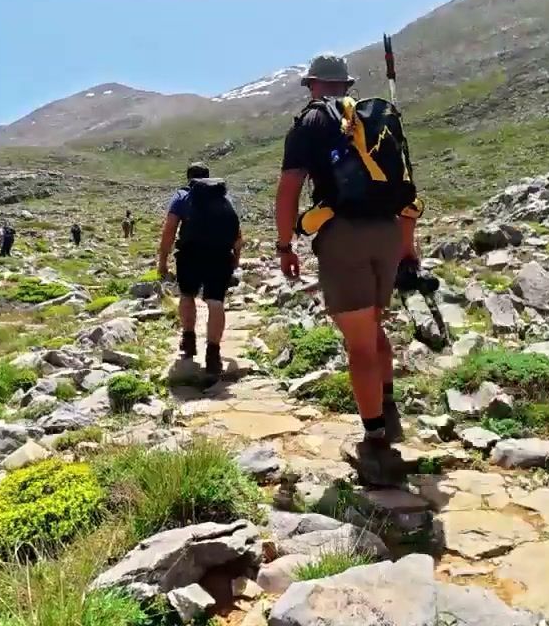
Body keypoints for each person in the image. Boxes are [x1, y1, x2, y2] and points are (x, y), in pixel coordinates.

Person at [275, 54, 421, 447]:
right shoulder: (377, 119)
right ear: (346, 85)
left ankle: (375, 443)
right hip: (388, 232)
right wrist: (408, 247)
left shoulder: (311, 121)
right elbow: (407, 186)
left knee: (359, 343)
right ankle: (388, 413)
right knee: (374, 329)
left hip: (344, 236)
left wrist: (285, 245)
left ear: (313, 85)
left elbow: (289, 187)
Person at [157, 163, 243, 377]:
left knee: (187, 296)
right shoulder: (223, 198)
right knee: (215, 303)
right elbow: (238, 235)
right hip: (220, 256)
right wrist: (235, 259)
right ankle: (213, 355)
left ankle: (188, 340)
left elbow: (169, 231)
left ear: (189, 179)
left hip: (190, 255)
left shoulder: (182, 197)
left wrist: (162, 261)